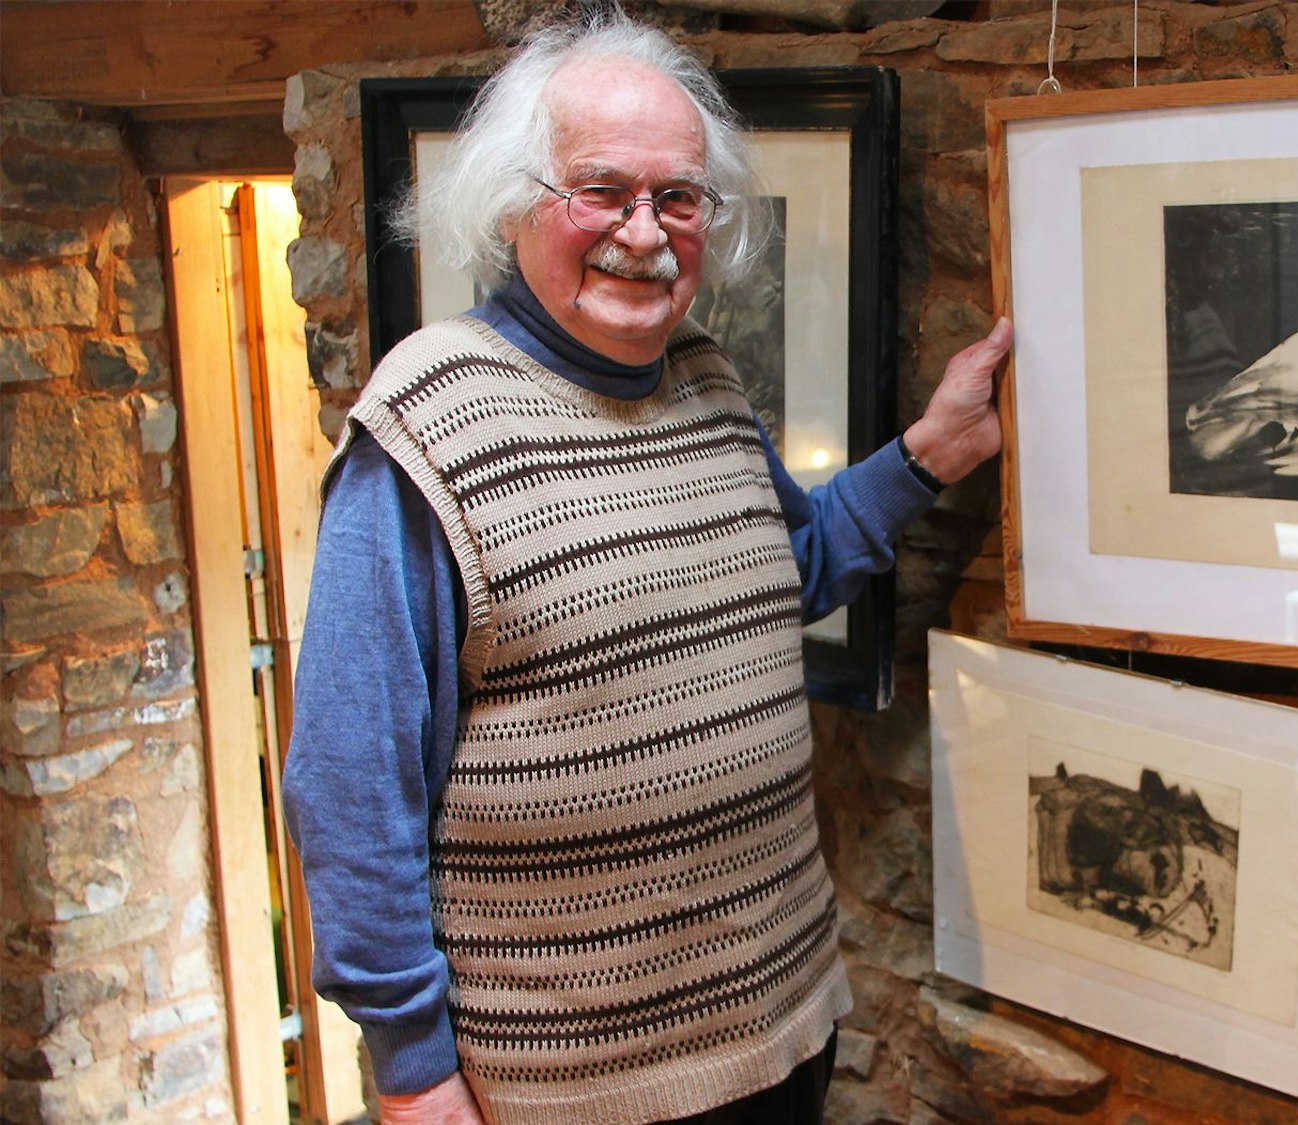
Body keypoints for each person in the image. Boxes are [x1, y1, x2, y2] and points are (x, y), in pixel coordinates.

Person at [280, 12, 1011, 1125]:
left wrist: (927, 455)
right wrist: (413, 1072)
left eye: (678, 197)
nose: (644, 231)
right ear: (517, 202)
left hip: (780, 1028)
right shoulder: (426, 426)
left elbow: (783, 575)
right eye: (601, 190)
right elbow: (348, 787)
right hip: (573, 1089)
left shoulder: (702, 381)